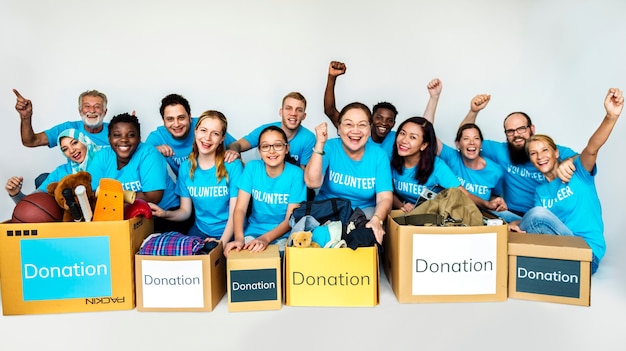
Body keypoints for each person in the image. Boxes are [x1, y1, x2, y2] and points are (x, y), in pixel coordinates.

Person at [509, 88, 623, 274]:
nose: (540, 156)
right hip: (559, 250)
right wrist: (517, 226)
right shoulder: (541, 191)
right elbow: (542, 229)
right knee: (506, 217)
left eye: (545, 150)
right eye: (533, 153)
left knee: (535, 214)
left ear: (556, 153)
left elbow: (592, 148)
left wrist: (611, 117)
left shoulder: (578, 171)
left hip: (586, 255)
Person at [460, 94, 577, 223]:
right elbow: (465, 139)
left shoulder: (547, 150)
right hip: (510, 214)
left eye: (521, 129)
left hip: (544, 217)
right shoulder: (501, 151)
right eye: (510, 131)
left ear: (532, 129)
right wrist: (473, 111)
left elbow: (580, 158)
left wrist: (568, 161)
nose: (516, 135)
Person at [149, 110, 243, 248]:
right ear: (196, 131)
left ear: (222, 138)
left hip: (230, 232)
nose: (207, 138)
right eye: (203, 130)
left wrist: (221, 244)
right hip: (200, 231)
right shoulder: (186, 167)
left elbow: (235, 213)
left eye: (215, 133)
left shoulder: (233, 166)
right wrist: (164, 213)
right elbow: (185, 212)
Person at [305, 102, 393, 245]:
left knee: (367, 235)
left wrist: (377, 219)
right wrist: (320, 144)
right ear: (339, 128)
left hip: (362, 216)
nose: (355, 130)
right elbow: (312, 182)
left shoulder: (379, 156)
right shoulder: (330, 147)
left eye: (362, 125)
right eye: (348, 124)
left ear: (369, 130)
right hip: (328, 213)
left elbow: (385, 198)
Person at [323, 60, 443, 157]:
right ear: (371, 119)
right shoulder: (359, 131)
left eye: (389, 120)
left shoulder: (398, 138)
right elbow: (330, 110)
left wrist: (434, 98)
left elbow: (424, 130)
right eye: (379, 118)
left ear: (394, 123)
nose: (384, 123)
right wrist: (332, 78)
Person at [88, 113, 182, 233]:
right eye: (117, 135)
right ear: (109, 138)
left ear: (139, 138)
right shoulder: (102, 157)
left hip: (164, 215)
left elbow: (152, 197)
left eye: (131, 135)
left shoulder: (149, 154)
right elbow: (91, 194)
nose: (123, 140)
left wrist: (108, 196)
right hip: (126, 218)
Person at [224, 126, 307, 257]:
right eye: (265, 146)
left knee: (279, 261)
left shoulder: (296, 174)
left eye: (278, 145)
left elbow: (290, 220)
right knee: (242, 258)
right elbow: (240, 209)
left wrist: (266, 239)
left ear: (287, 149)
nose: (272, 151)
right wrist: (239, 238)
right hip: (254, 231)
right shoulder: (252, 168)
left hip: (283, 233)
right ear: (260, 150)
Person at [146, 93, 236, 177]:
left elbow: (236, 145)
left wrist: (233, 150)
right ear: (163, 120)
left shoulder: (204, 125)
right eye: (170, 119)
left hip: (216, 181)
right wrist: (154, 151)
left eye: (181, 118)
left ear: (190, 117)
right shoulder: (157, 137)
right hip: (186, 187)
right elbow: (138, 159)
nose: (176, 124)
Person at [5, 128, 102, 203]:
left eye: (75, 143)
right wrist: (15, 193)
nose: (72, 150)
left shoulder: (105, 157)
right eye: (65, 149)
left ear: (84, 141)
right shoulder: (61, 172)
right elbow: (31, 205)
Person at [390, 117, 465, 213]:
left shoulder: (437, 166)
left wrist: (486, 205)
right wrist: (402, 205)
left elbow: (462, 195)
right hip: (405, 215)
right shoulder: (392, 161)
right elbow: (387, 192)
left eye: (412, 137)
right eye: (402, 133)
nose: (404, 140)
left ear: (424, 145)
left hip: (433, 216)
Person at [224, 92, 315, 168]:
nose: (293, 113)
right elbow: (237, 144)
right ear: (281, 112)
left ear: (304, 116)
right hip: (265, 182)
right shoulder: (267, 130)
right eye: (288, 108)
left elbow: (305, 177)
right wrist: (233, 152)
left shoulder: (308, 138)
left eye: (299, 110)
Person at [437, 123, 507, 212]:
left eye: (476, 138)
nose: (472, 142)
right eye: (466, 139)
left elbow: (493, 196)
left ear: (481, 144)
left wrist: (498, 203)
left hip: (481, 216)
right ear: (458, 144)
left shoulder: (496, 171)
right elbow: (427, 132)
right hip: (452, 214)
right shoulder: (452, 157)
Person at [13, 89, 110, 148]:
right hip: (77, 180)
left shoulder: (116, 131)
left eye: (97, 106)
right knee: (43, 178)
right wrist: (26, 117)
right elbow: (30, 141)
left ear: (105, 112)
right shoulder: (68, 129)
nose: (92, 110)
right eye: (87, 106)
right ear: (80, 110)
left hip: (108, 180)